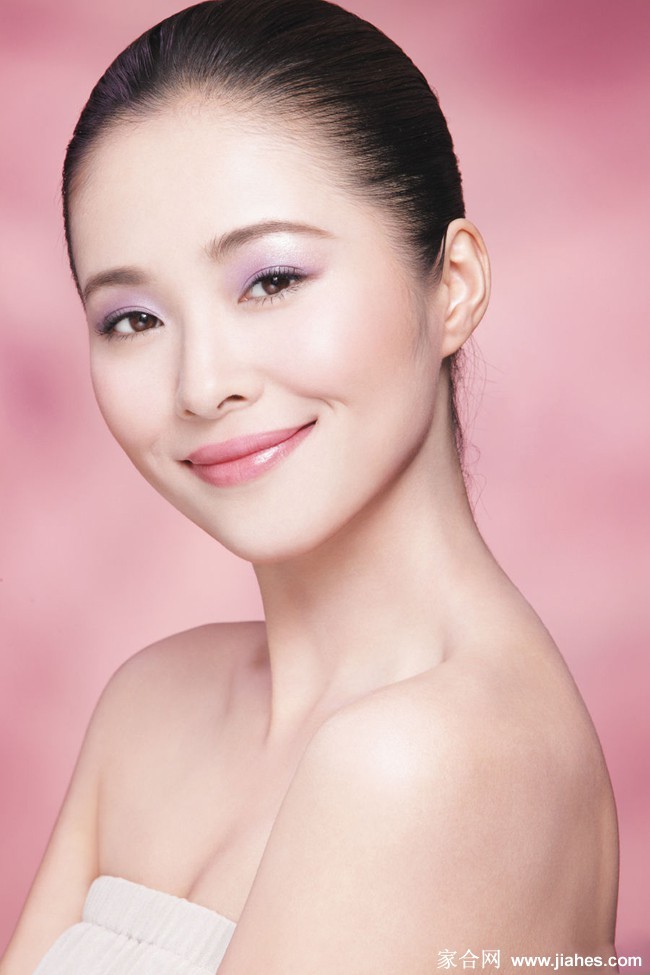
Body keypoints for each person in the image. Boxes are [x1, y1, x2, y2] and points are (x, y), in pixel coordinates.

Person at [1, 0, 619, 972]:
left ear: (451, 283)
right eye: (132, 319)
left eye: (273, 280)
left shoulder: (430, 760)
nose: (202, 384)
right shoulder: (150, 706)